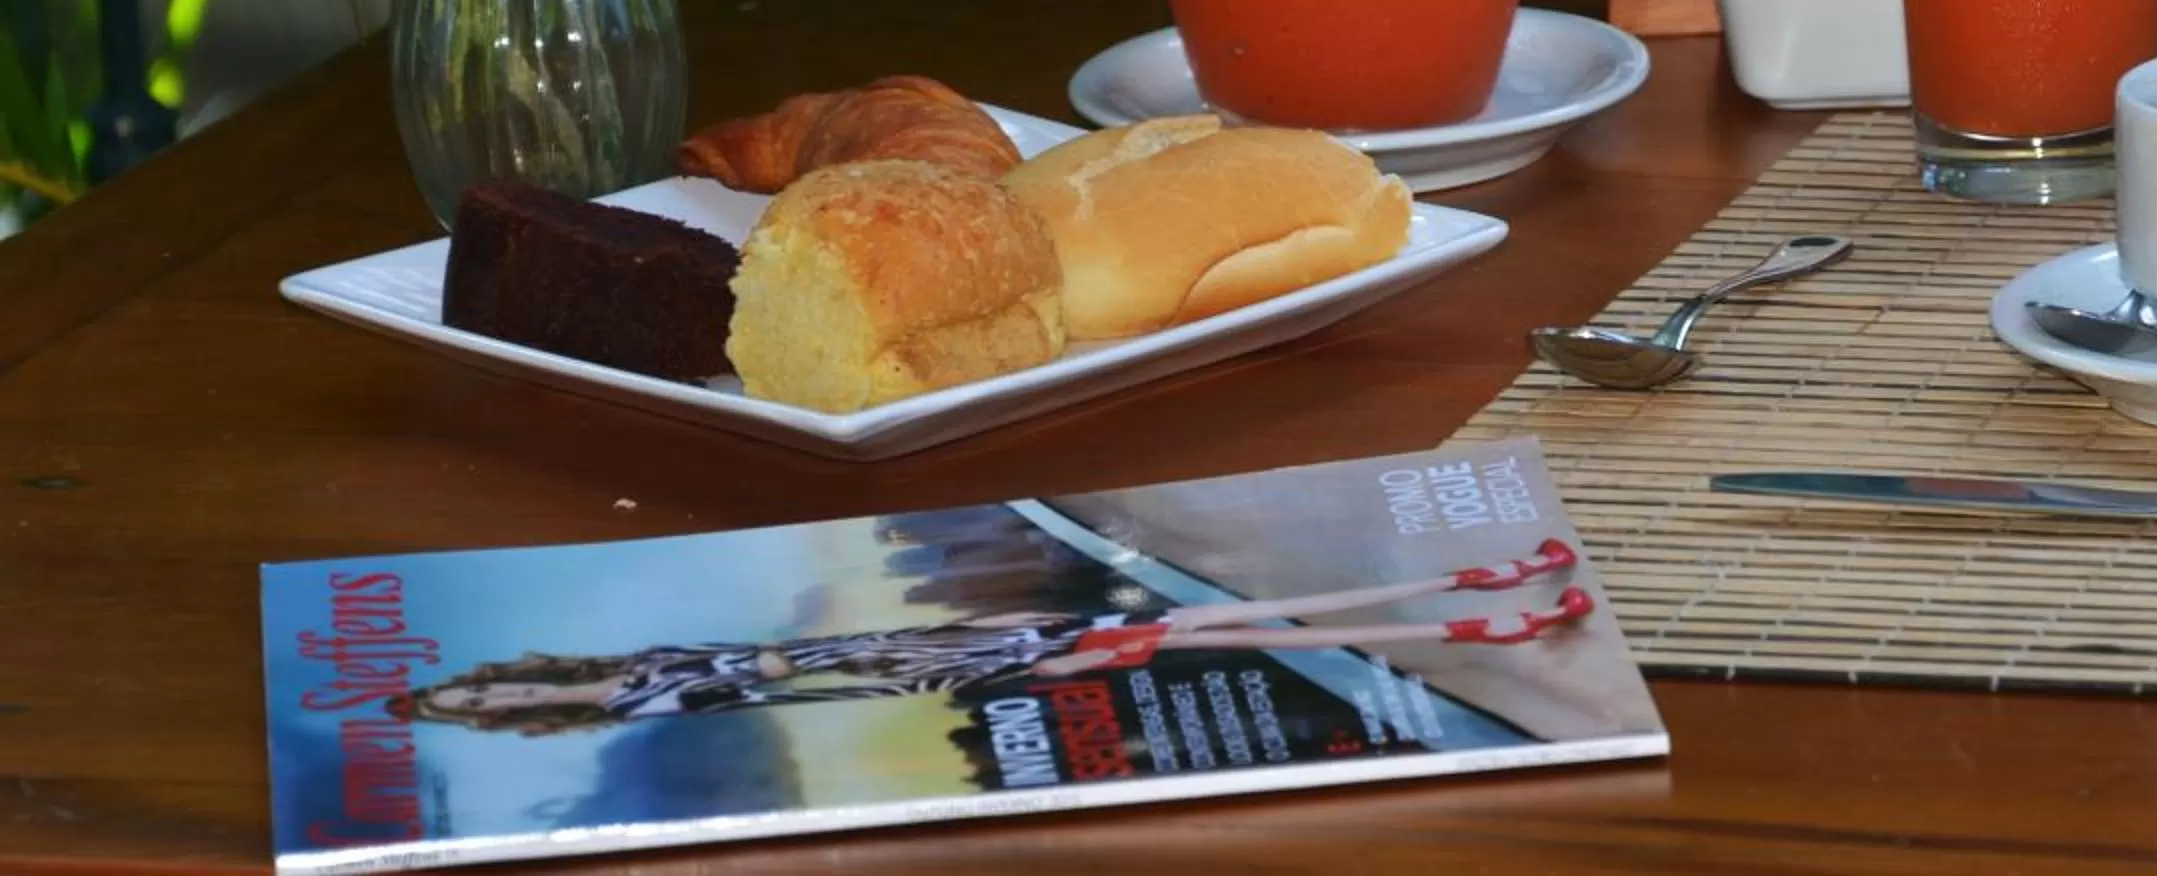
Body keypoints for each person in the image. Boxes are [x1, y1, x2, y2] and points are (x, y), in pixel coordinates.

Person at [389, 538, 1588, 735]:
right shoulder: (636, 703)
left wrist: (993, 627)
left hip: (957, 645)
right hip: (959, 669)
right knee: (1214, 631)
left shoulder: (624, 667)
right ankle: (1480, 602)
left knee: (1215, 621)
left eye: (475, 695)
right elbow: (814, 689)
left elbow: (812, 652)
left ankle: (1480, 595)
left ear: (503, 678)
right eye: (481, 718)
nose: (490, 708)